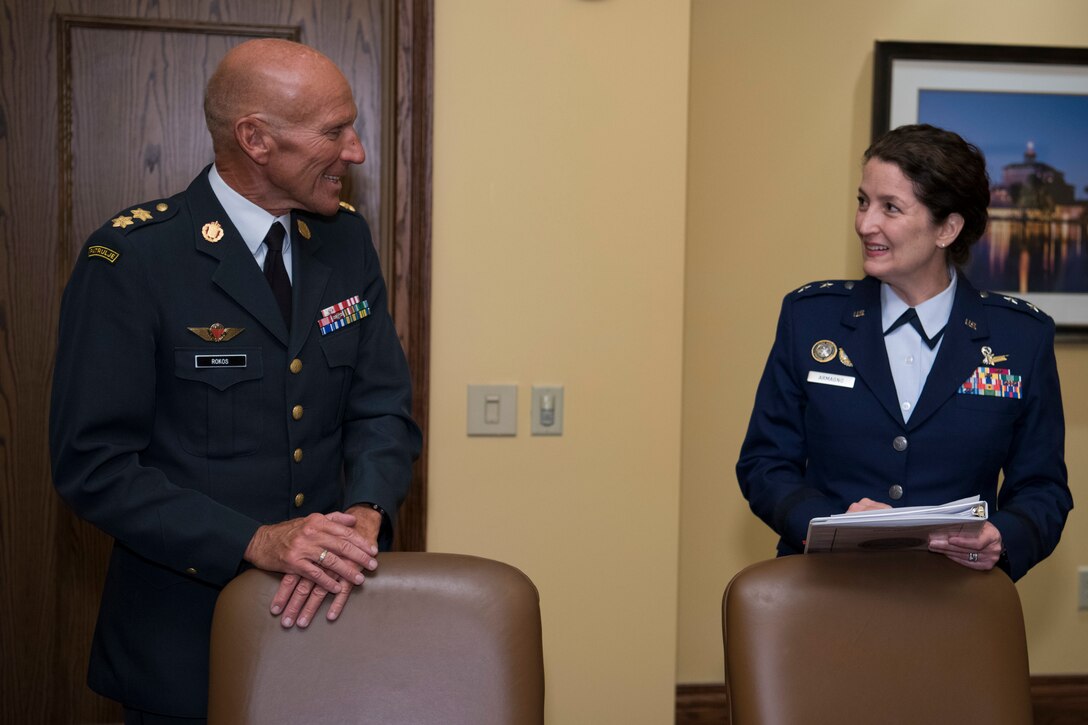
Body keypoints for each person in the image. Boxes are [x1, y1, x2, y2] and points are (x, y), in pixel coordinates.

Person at [49, 39, 422, 723]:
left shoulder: (345, 242)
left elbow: (381, 406)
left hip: (333, 633)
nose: (357, 151)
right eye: (334, 131)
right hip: (185, 643)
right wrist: (257, 541)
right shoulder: (133, 258)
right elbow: (92, 465)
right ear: (255, 138)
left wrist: (369, 510)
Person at [736, 123, 1071, 582]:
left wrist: (1003, 535)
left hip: (955, 603)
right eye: (862, 201)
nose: (864, 223)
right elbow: (764, 464)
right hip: (822, 597)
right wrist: (825, 523)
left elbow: (1043, 489)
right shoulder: (810, 318)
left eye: (890, 207)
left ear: (948, 228)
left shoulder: (1019, 338)